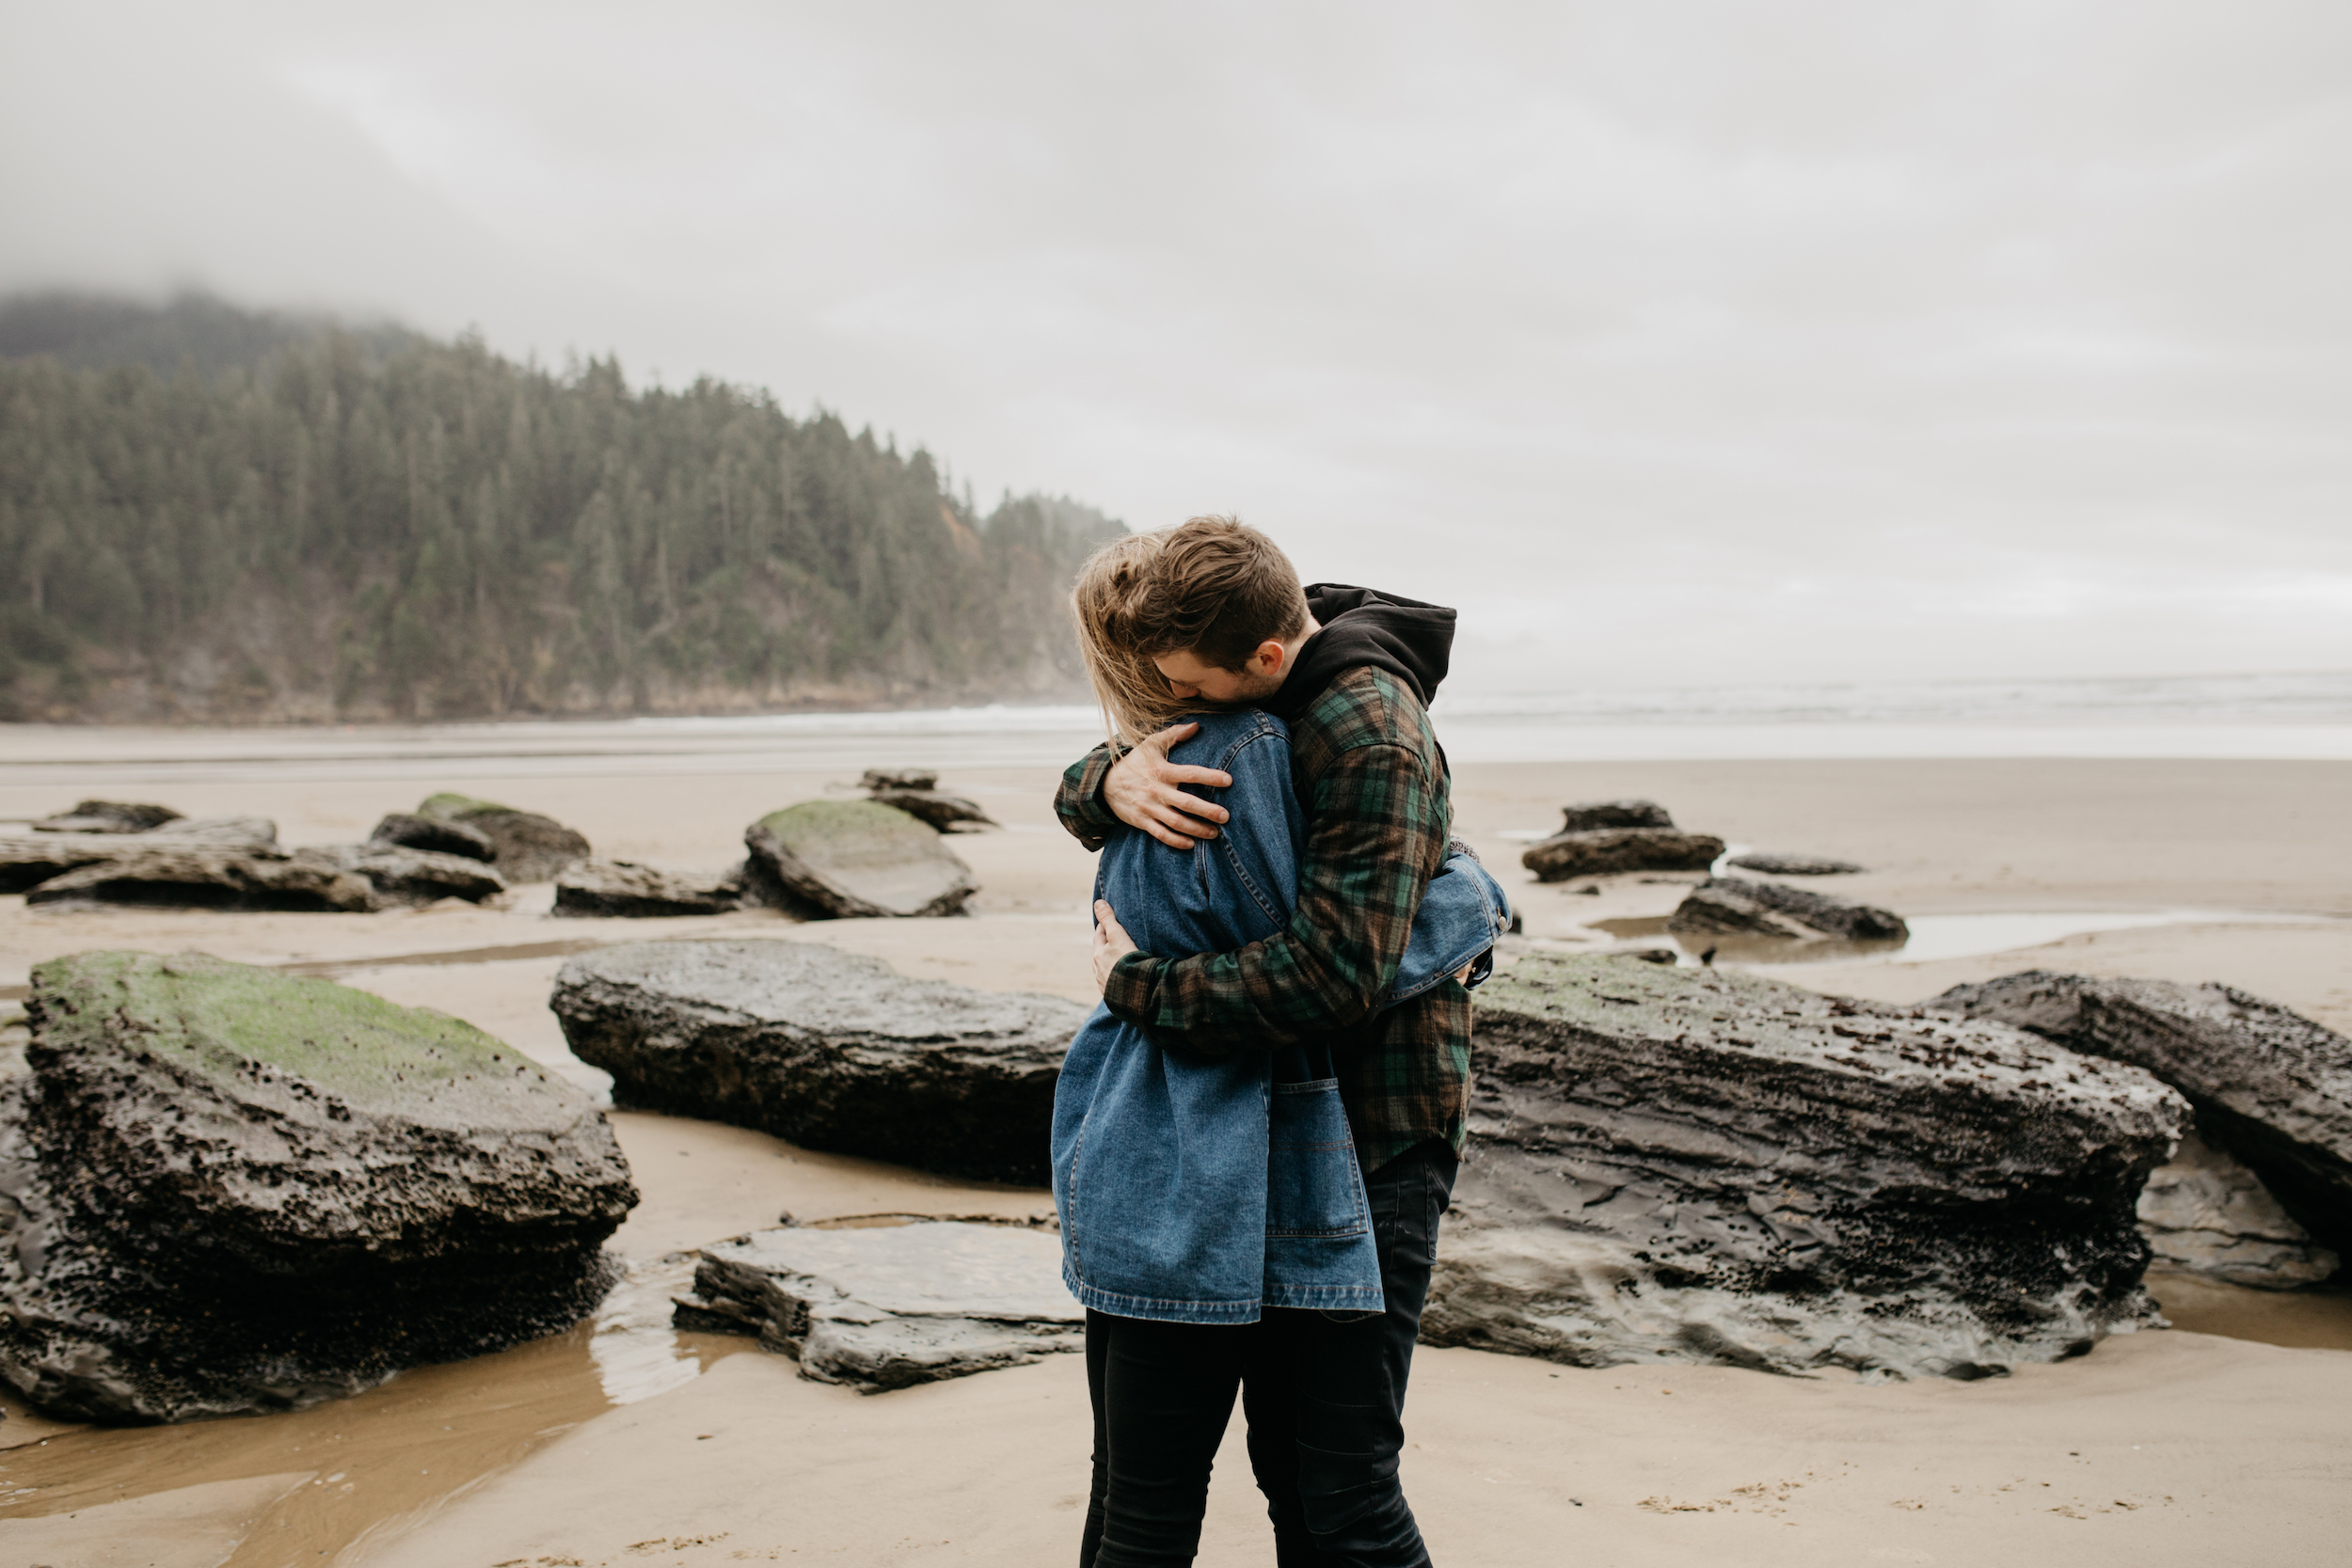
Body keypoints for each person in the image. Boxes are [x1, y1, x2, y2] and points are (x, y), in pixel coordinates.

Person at [1056, 517, 1478, 1567]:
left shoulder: (1367, 726)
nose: (1179, 713)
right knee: (1261, 1481)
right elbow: (1141, 750)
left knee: (1334, 1490)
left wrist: (1134, 981)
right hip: (1253, 1122)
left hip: (1374, 1134)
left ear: (1266, 659)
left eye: (1188, 690)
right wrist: (1103, 781)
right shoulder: (1256, 686)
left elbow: (1337, 971)